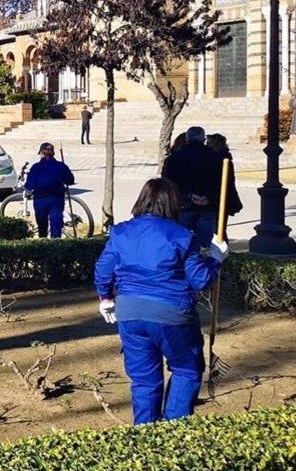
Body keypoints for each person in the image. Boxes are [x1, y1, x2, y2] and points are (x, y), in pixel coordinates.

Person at [94, 178, 228, 425]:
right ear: (173, 203)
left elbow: (103, 268)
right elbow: (200, 280)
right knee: (186, 370)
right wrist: (216, 258)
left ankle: (145, 436)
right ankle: (174, 432)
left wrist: (105, 298)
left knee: (144, 379)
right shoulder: (182, 236)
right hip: (172, 313)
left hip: (130, 312)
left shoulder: (121, 232)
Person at [162, 126, 223, 246]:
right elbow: (220, 182)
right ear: (203, 139)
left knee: (181, 243)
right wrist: (207, 198)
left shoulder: (175, 158)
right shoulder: (215, 157)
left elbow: (169, 183)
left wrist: (189, 196)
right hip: (207, 206)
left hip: (183, 205)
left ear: (187, 138)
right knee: (204, 245)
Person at [23, 142, 75, 238]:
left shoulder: (36, 167)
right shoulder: (61, 166)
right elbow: (70, 180)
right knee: (56, 222)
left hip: (40, 199)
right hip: (56, 198)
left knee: (42, 225)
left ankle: (43, 243)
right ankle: (56, 243)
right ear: (53, 153)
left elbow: (29, 185)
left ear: (41, 154)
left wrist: (28, 189)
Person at [206, 133, 243, 218]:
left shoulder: (221, 158)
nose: (207, 146)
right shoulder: (224, 156)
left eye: (209, 144)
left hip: (218, 193)